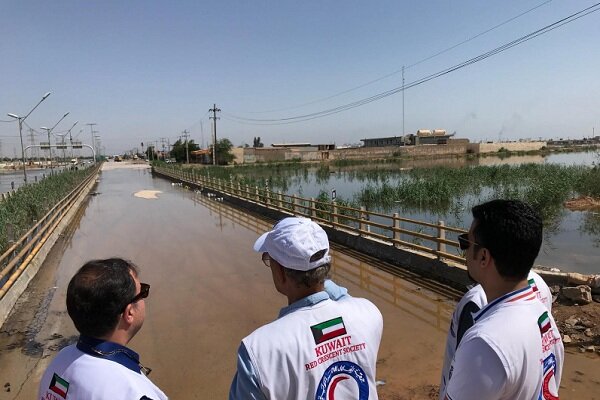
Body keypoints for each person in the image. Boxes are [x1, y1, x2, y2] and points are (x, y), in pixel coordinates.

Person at [229, 217, 383, 400]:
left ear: (279, 271)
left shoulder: (257, 351)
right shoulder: (369, 314)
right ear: (326, 266)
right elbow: (342, 300)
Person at [440, 200, 563, 400]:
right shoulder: (543, 317)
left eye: (466, 243)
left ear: (483, 257)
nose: (464, 251)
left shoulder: (485, 343)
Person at [38, 258, 168, 400]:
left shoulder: (61, 360)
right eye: (142, 292)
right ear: (129, 312)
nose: (144, 296)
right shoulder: (133, 393)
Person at [439, 270, 553, 397]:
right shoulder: (540, 288)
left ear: (484, 255)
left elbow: (468, 368)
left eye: (466, 248)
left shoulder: (477, 300)